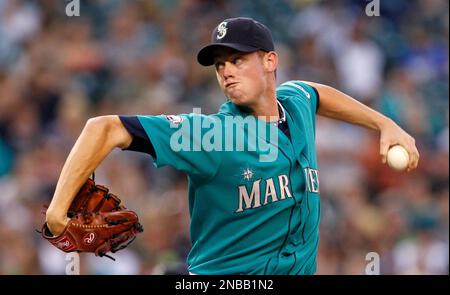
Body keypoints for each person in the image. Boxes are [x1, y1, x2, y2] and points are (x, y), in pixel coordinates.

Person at [45, 17, 420, 275]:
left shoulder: (295, 104)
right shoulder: (212, 136)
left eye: (238, 59)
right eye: (220, 64)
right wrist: (57, 213)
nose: (226, 70)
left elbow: (316, 93)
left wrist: (384, 123)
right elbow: (104, 128)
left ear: (271, 61)